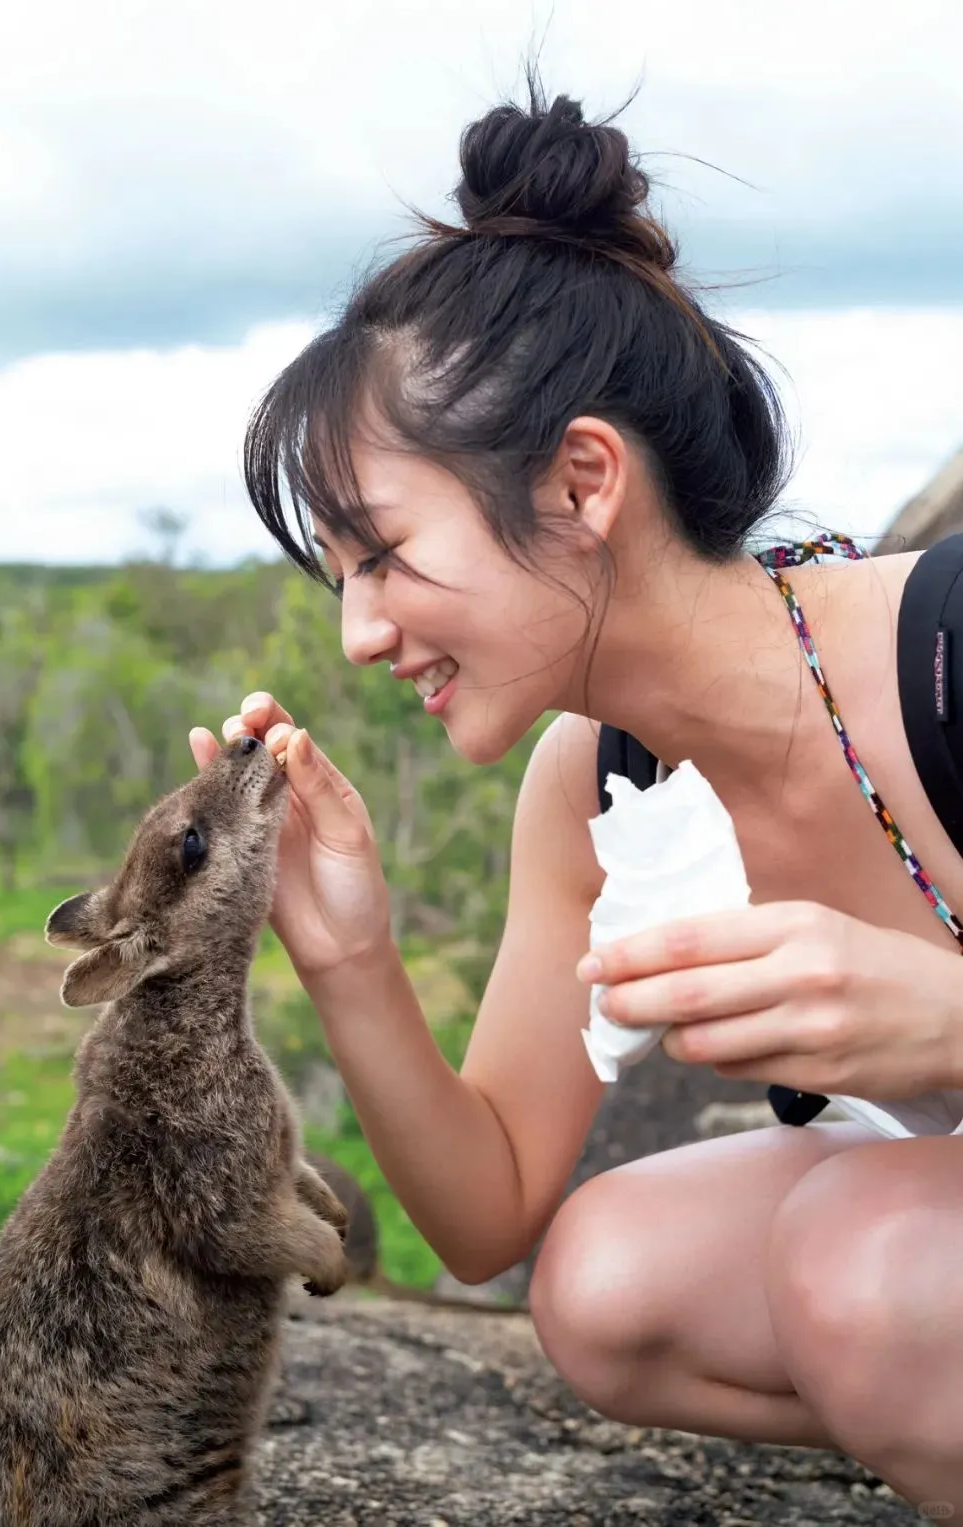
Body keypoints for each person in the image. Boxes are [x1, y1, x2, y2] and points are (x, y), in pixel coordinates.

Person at [189, 80, 963, 1509]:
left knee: (868, 1259)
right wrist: (347, 952)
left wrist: (946, 1018)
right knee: (608, 1283)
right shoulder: (595, 782)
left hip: (907, 1245)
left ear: (583, 480)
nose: (360, 632)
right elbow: (489, 1216)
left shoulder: (945, 649)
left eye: (385, 554)